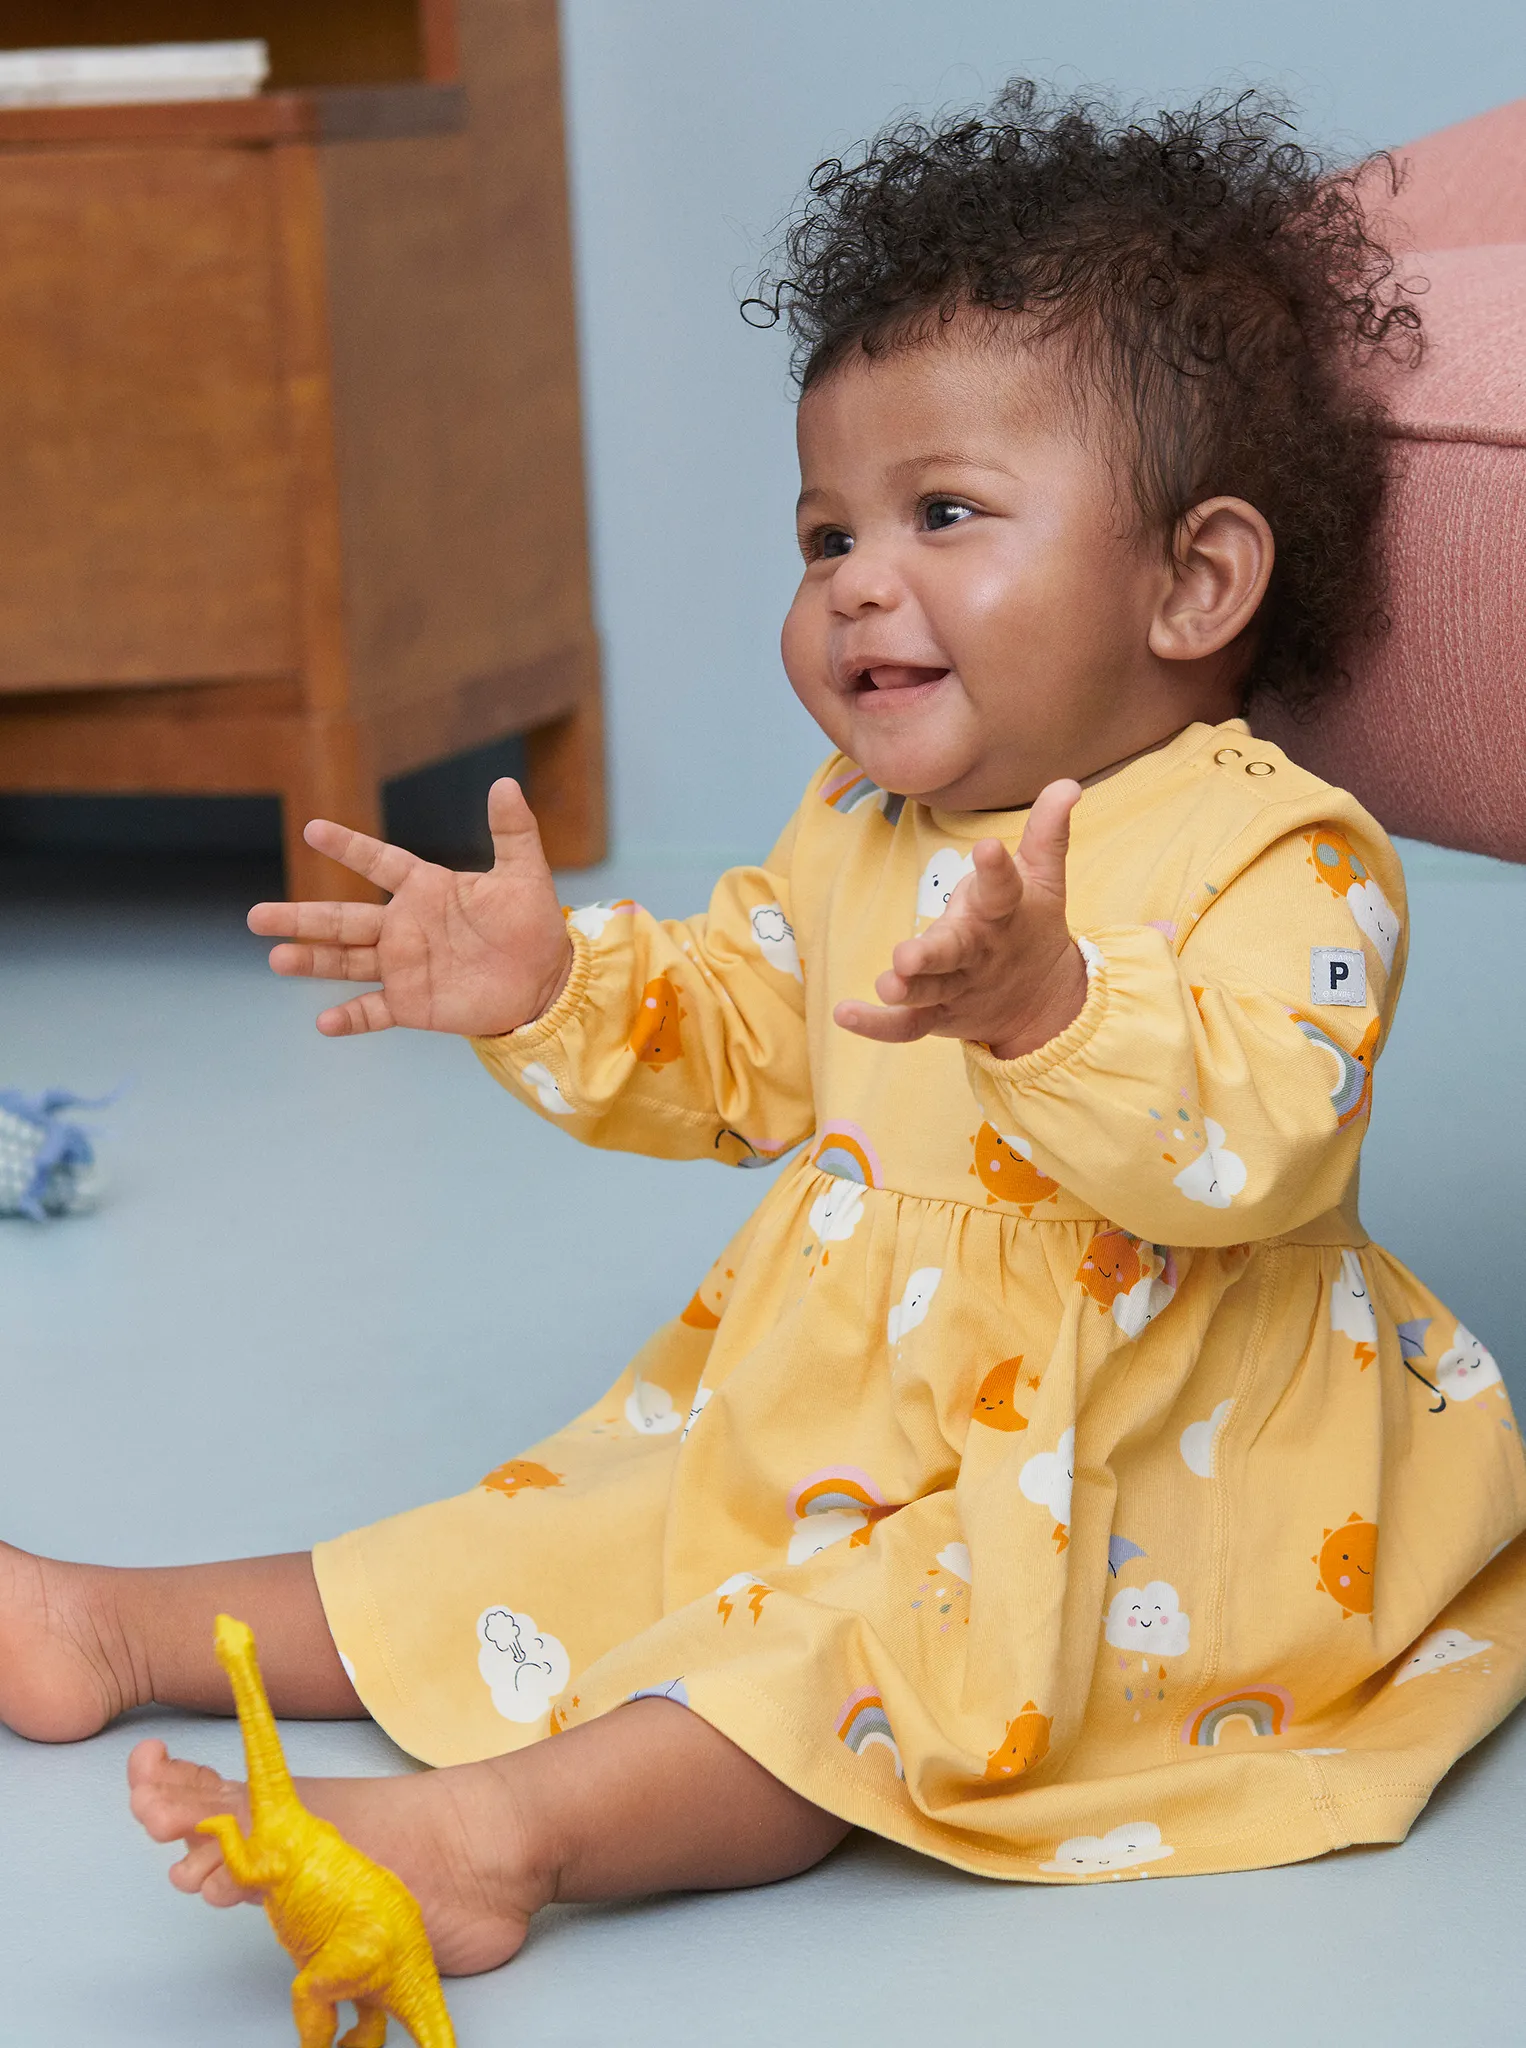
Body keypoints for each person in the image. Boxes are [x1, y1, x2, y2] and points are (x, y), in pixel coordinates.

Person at [4, 83, 1523, 1972]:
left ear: (1190, 580)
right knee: (588, 1521)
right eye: (824, 531)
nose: (854, 583)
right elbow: (745, 1045)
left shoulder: (1278, 851)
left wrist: (1048, 1010)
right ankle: (119, 1624)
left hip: (1143, 1463)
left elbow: (1246, 1144)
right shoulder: (856, 826)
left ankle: (502, 1836)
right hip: (861, 1393)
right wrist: (557, 983)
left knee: (850, 1646)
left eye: (942, 513)